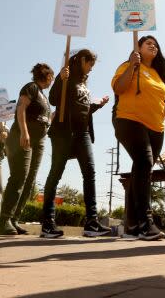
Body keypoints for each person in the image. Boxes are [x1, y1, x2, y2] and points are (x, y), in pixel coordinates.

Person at [112, 36, 165, 241]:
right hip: (129, 120)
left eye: (156, 44)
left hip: (156, 129)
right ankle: (145, 222)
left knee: (141, 170)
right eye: (148, 43)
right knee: (144, 162)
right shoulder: (128, 65)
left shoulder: (160, 76)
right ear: (138, 48)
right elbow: (118, 88)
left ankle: (132, 225)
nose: (153, 46)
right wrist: (132, 67)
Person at [40, 49, 110, 238]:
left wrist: (98, 105)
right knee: (56, 174)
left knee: (90, 172)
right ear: (81, 61)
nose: (91, 69)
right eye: (90, 64)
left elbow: (83, 110)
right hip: (63, 132)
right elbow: (54, 100)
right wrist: (59, 80)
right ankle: (47, 223)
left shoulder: (83, 83)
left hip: (83, 133)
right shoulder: (67, 77)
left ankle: (92, 222)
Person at [0, 63, 55, 236]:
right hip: (23, 137)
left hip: (39, 141)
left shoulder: (44, 96)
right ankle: (4, 220)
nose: (52, 80)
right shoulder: (32, 87)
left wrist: (52, 117)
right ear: (48, 76)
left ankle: (14, 219)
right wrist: (24, 132)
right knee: (19, 177)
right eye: (51, 77)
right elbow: (21, 108)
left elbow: (42, 118)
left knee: (29, 181)